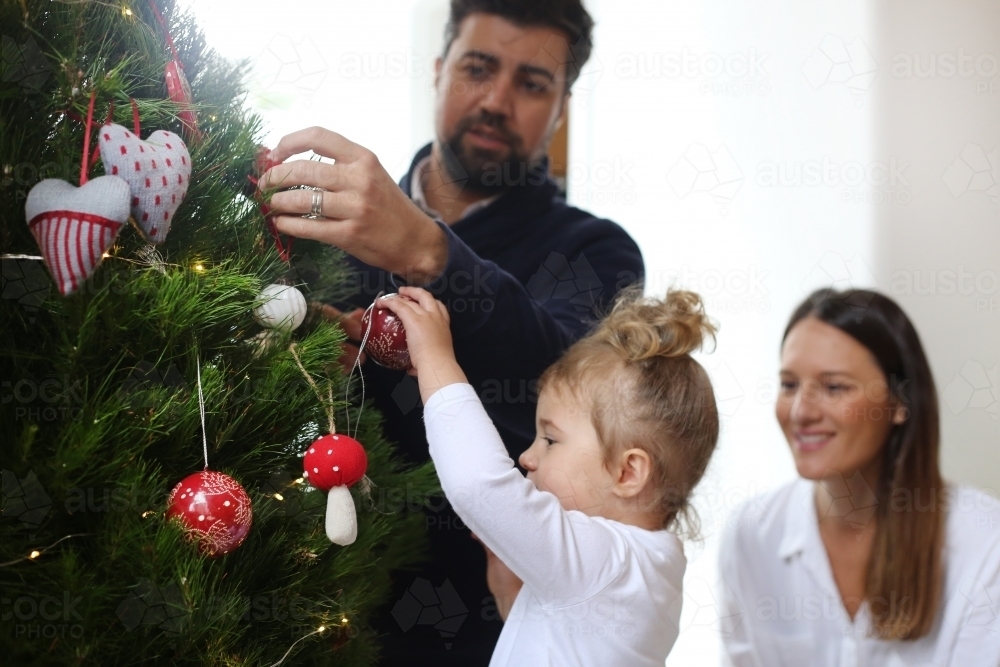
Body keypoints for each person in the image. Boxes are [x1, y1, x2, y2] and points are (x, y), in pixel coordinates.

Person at [257, 1, 642, 663]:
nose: (496, 100)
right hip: (291, 621)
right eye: (477, 67)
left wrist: (429, 251)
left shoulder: (598, 253)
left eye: (532, 83)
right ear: (438, 71)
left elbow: (563, 387)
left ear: (562, 107)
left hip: (486, 635)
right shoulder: (331, 227)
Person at [376, 285, 720, 666]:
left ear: (628, 472)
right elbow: (547, 635)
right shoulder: (648, 570)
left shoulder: (609, 564)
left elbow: (479, 484)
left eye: (550, 439)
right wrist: (508, 577)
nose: (527, 456)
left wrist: (434, 359)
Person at [720, 289, 1000, 666]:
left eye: (834, 387)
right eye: (789, 384)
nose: (801, 412)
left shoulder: (985, 544)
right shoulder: (752, 533)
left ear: (900, 402)